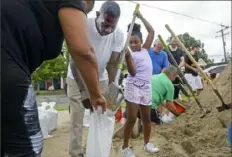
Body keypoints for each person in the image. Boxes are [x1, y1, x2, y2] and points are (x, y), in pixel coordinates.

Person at [1, 1, 108, 157]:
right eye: (84, 9)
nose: (81, 12)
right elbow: (83, 51)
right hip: (6, 64)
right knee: (28, 149)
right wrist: (96, 94)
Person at [66, 1, 124, 157]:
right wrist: (86, 92)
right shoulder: (83, 24)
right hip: (76, 75)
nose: (108, 29)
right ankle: (76, 153)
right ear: (98, 15)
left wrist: (112, 89)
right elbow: (74, 61)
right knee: (77, 117)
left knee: (102, 115)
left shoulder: (118, 34)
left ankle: (97, 150)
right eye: (106, 24)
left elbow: (112, 64)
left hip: (101, 77)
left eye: (112, 26)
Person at [122, 10, 157, 157]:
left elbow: (151, 31)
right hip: (133, 86)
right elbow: (133, 72)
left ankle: (147, 143)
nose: (133, 44)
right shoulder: (130, 54)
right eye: (130, 42)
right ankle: (125, 148)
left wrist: (141, 16)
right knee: (131, 119)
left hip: (146, 87)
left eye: (136, 41)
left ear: (141, 41)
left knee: (147, 118)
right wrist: (128, 58)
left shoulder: (145, 49)